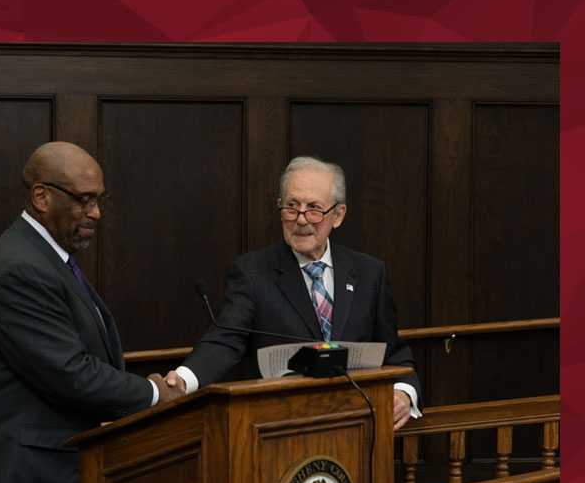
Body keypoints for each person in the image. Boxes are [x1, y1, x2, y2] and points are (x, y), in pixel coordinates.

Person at [0, 142, 183, 483]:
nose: (96, 213)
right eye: (85, 199)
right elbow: (70, 373)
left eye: (101, 199)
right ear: (42, 196)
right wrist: (154, 393)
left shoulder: (46, 256)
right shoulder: (20, 269)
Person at [166, 156, 421, 430]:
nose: (301, 220)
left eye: (314, 209)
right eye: (291, 207)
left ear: (338, 215)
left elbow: (393, 353)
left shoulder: (370, 273)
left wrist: (404, 393)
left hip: (356, 426)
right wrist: (182, 380)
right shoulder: (252, 273)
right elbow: (224, 340)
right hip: (281, 429)